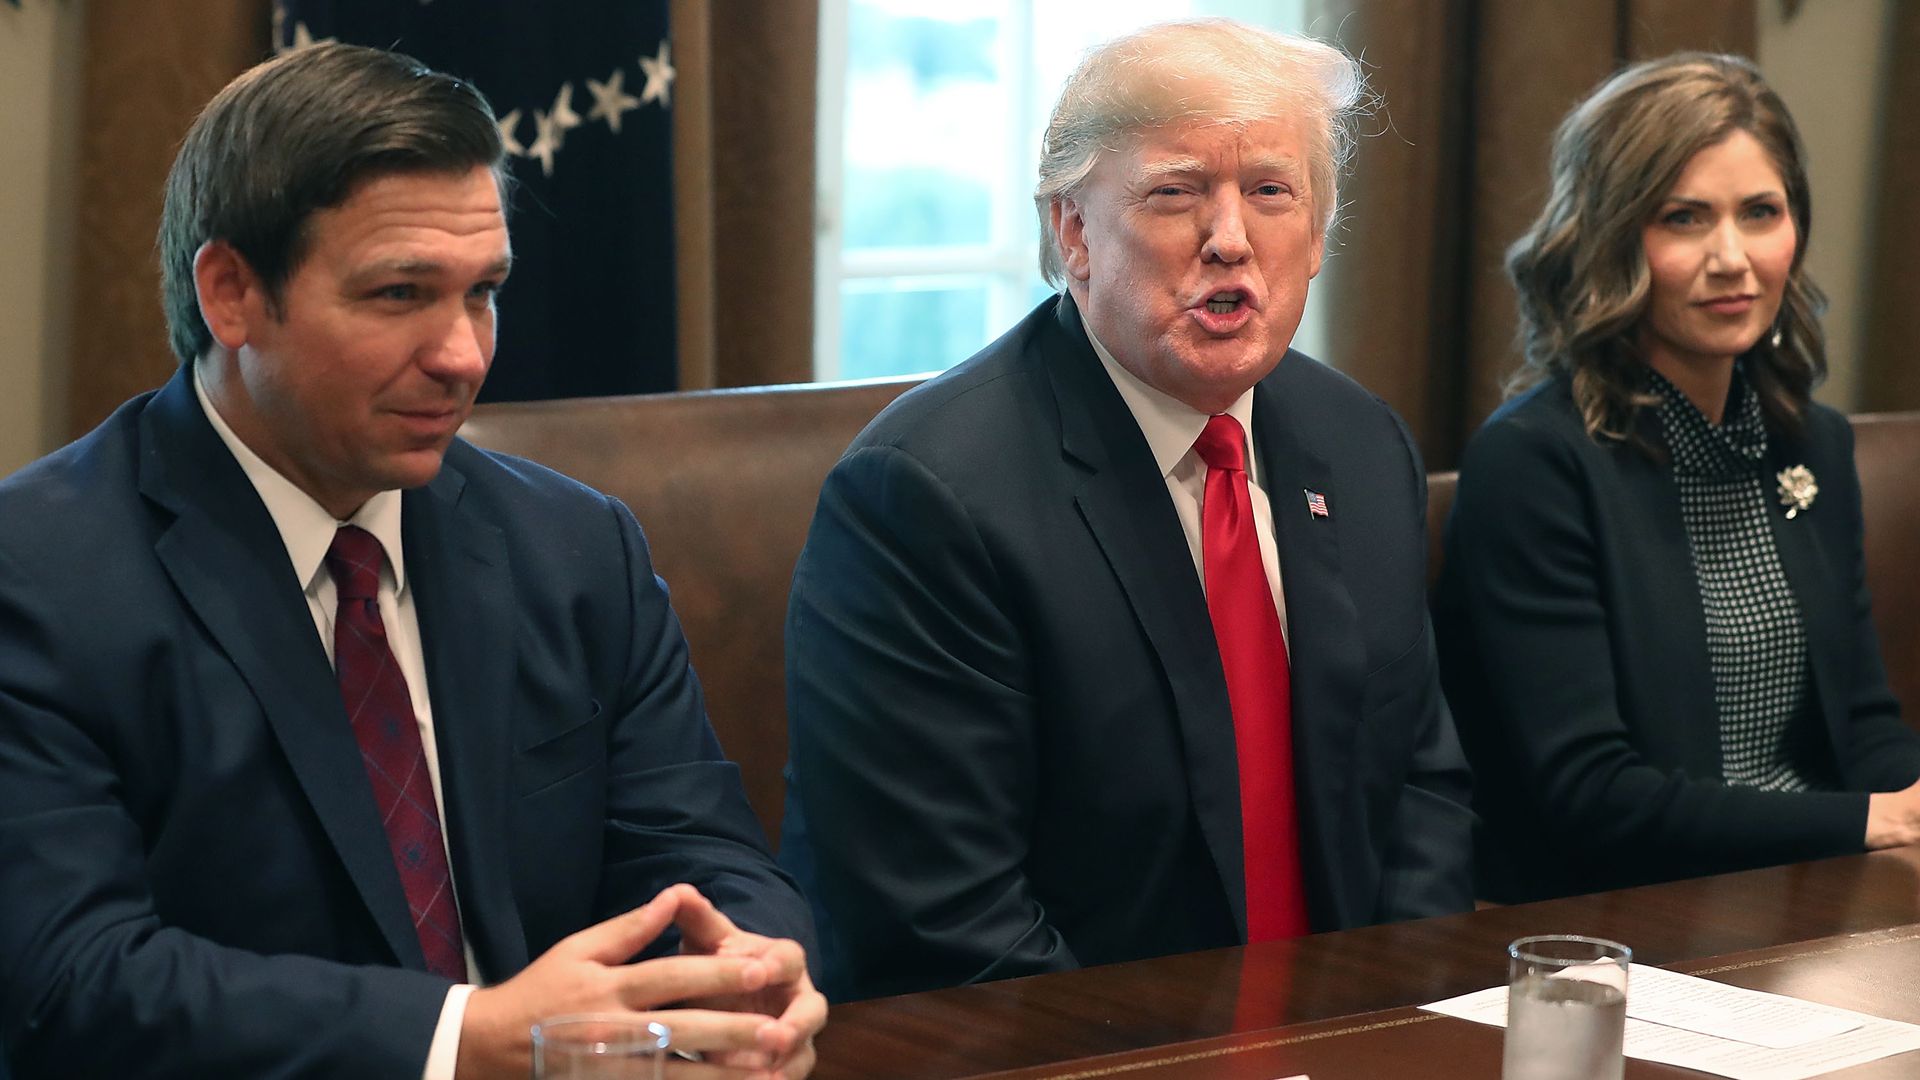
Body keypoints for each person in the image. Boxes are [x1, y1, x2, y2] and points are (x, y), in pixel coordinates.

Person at [0, 43, 824, 1078]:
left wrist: (744, 975)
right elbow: (72, 983)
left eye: (483, 292)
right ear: (231, 293)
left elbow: (702, 856)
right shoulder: (36, 576)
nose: (464, 355)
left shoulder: (575, 547)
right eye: (400, 294)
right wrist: (463, 1042)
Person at [779, 19, 1474, 1002]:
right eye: (1175, 193)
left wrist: (1390, 1032)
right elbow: (944, 922)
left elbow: (1419, 795)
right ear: (1073, 231)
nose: (1230, 239)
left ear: (1317, 233)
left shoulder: (1360, 446)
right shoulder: (924, 498)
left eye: (1271, 192)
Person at [1435, 53, 1920, 904]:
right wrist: (1870, 822)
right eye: (1685, 218)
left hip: (1818, 890)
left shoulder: (1814, 444)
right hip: (1627, 916)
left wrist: (1906, 808)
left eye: (1760, 213)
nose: (1732, 258)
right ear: (1612, 239)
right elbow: (1588, 796)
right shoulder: (1536, 463)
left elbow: (1865, 725)